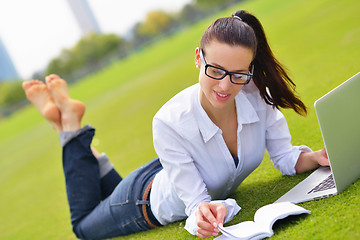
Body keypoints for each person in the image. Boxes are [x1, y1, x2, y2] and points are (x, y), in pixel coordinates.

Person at [23, 10, 329, 240]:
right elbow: (196, 206)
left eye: (238, 74)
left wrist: (314, 158)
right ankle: (67, 126)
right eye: (216, 70)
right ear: (198, 58)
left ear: (250, 70)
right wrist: (206, 217)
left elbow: (286, 158)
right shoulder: (169, 120)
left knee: (102, 199)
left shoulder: (256, 96)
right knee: (82, 228)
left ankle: (68, 130)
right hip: (143, 202)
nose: (225, 86)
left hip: (170, 172)